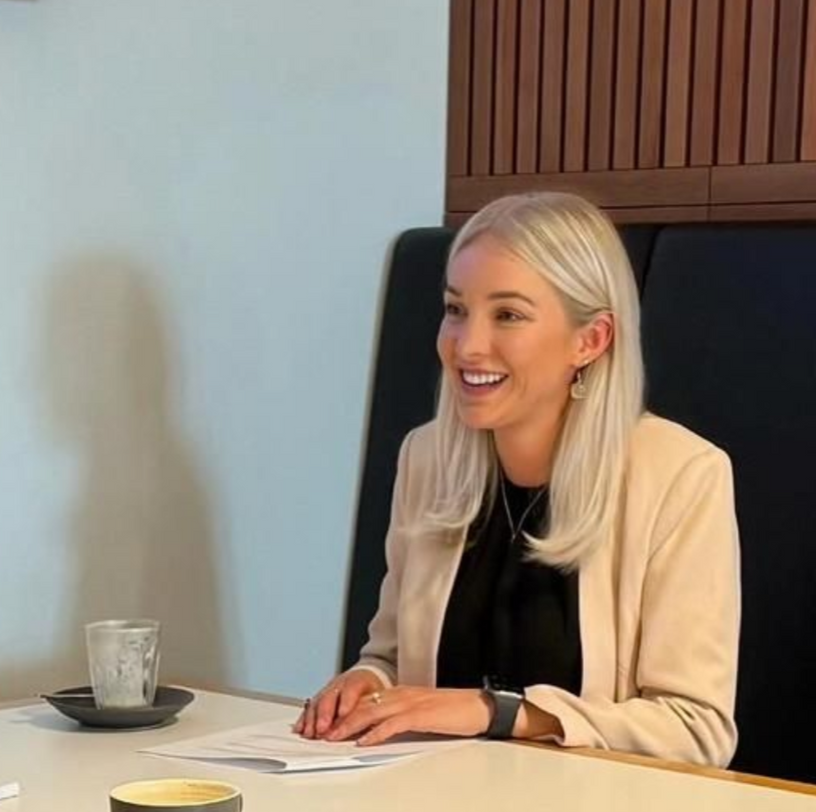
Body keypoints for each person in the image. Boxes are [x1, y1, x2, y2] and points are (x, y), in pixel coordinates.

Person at [297, 192, 740, 768]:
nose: (466, 344)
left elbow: (696, 730)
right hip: (432, 804)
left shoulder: (682, 474)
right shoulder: (426, 458)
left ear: (591, 340)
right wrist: (366, 681)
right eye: (456, 309)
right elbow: (392, 658)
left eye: (507, 315)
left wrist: (498, 711)